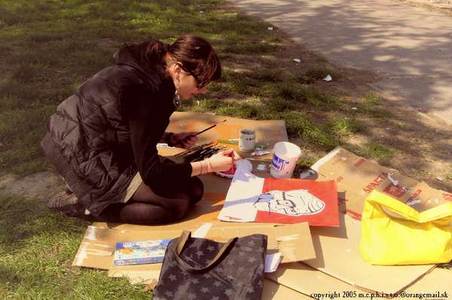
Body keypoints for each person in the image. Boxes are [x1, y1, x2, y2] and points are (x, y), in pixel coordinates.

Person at [41, 35, 239, 225]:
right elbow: (152, 174)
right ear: (178, 70)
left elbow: (124, 124)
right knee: (175, 205)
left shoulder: (156, 74)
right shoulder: (142, 90)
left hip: (102, 142)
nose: (203, 91)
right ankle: (87, 206)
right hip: (81, 151)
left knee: (194, 189)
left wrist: (169, 138)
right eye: (201, 83)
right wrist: (209, 165)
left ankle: (95, 199)